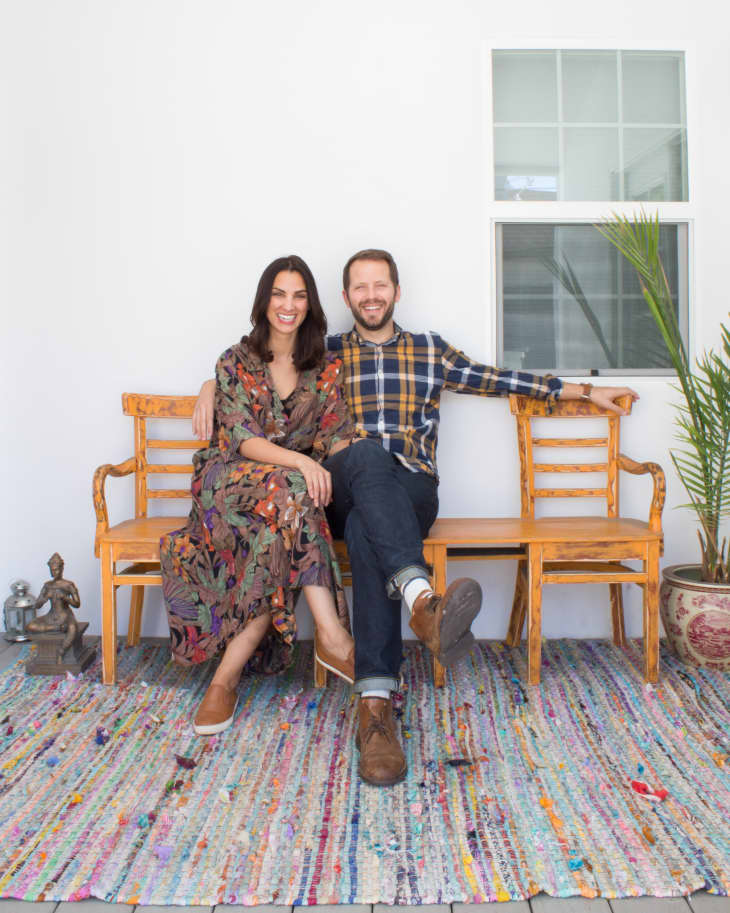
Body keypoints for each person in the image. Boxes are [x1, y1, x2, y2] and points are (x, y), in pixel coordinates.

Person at [193, 248, 639, 784]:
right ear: (345, 298)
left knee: (366, 529)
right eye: (360, 287)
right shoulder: (325, 352)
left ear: (396, 291)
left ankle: (375, 708)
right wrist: (211, 385)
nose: (371, 295)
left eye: (381, 285)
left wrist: (586, 391)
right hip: (340, 487)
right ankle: (421, 601)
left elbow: (497, 379)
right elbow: (266, 363)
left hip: (411, 490)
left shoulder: (430, 350)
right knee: (363, 456)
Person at [161, 255, 358, 737]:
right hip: (227, 486)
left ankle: (224, 680)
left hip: (284, 504)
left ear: (310, 304)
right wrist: (303, 462)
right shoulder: (235, 361)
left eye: (299, 295)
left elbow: (336, 434)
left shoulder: (327, 367)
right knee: (295, 492)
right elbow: (244, 440)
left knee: (284, 525)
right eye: (278, 294)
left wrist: (369, 461)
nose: (288, 306)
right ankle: (333, 638)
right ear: (263, 300)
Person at [26, 553, 81, 663]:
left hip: (65, 615)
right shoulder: (47, 585)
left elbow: (77, 604)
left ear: (61, 569)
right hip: (51, 616)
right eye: (52, 570)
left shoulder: (68, 585)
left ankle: (61, 651)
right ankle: (54, 629)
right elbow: (37, 605)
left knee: (72, 628)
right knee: (30, 625)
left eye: (56, 570)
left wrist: (65, 597)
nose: (54, 572)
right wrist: (46, 597)